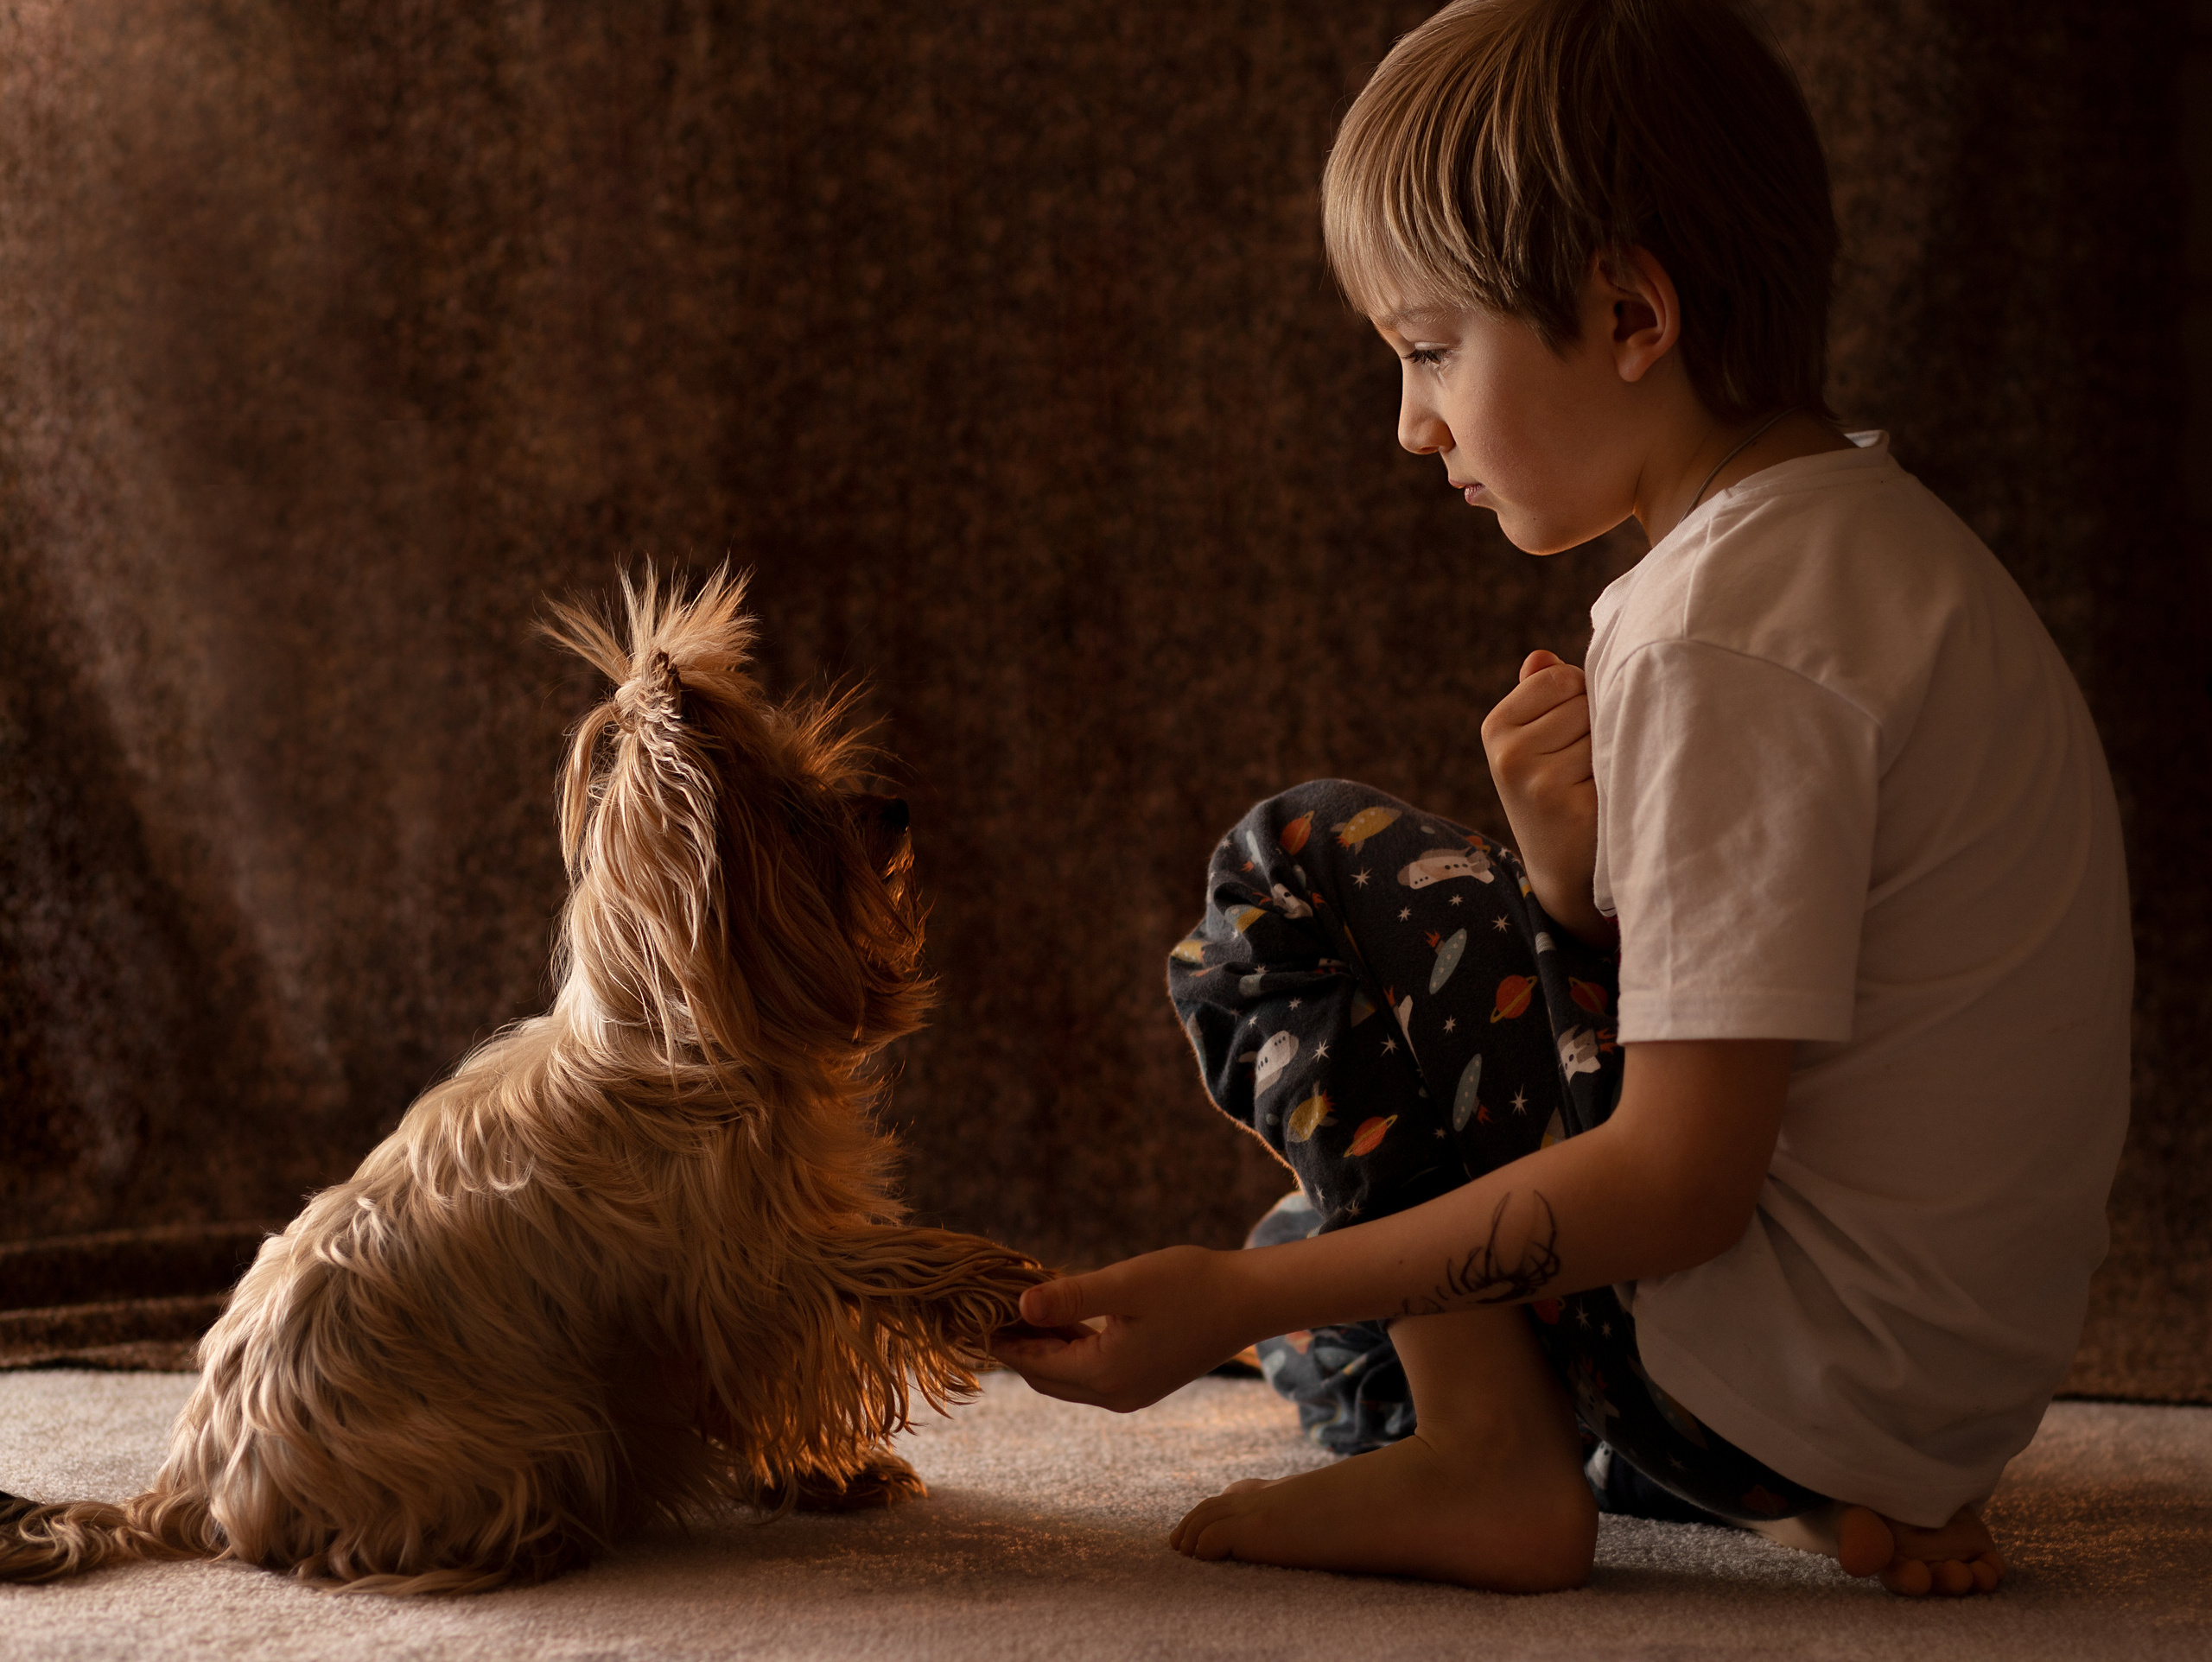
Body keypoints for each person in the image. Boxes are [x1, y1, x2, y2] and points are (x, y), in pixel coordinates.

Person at [991, 0, 2133, 1600]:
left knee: (1295, 867)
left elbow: (1680, 1180)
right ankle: (1709, 1474)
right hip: (1916, 1406)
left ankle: (1495, 1464)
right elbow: (1789, 1036)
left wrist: (1220, 1315)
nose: (1411, 424)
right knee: (1332, 1312)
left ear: (1627, 312)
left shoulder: (1720, 629)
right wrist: (1568, 885)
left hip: (1777, 1372)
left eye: (1428, 350)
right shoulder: (1886, 553)